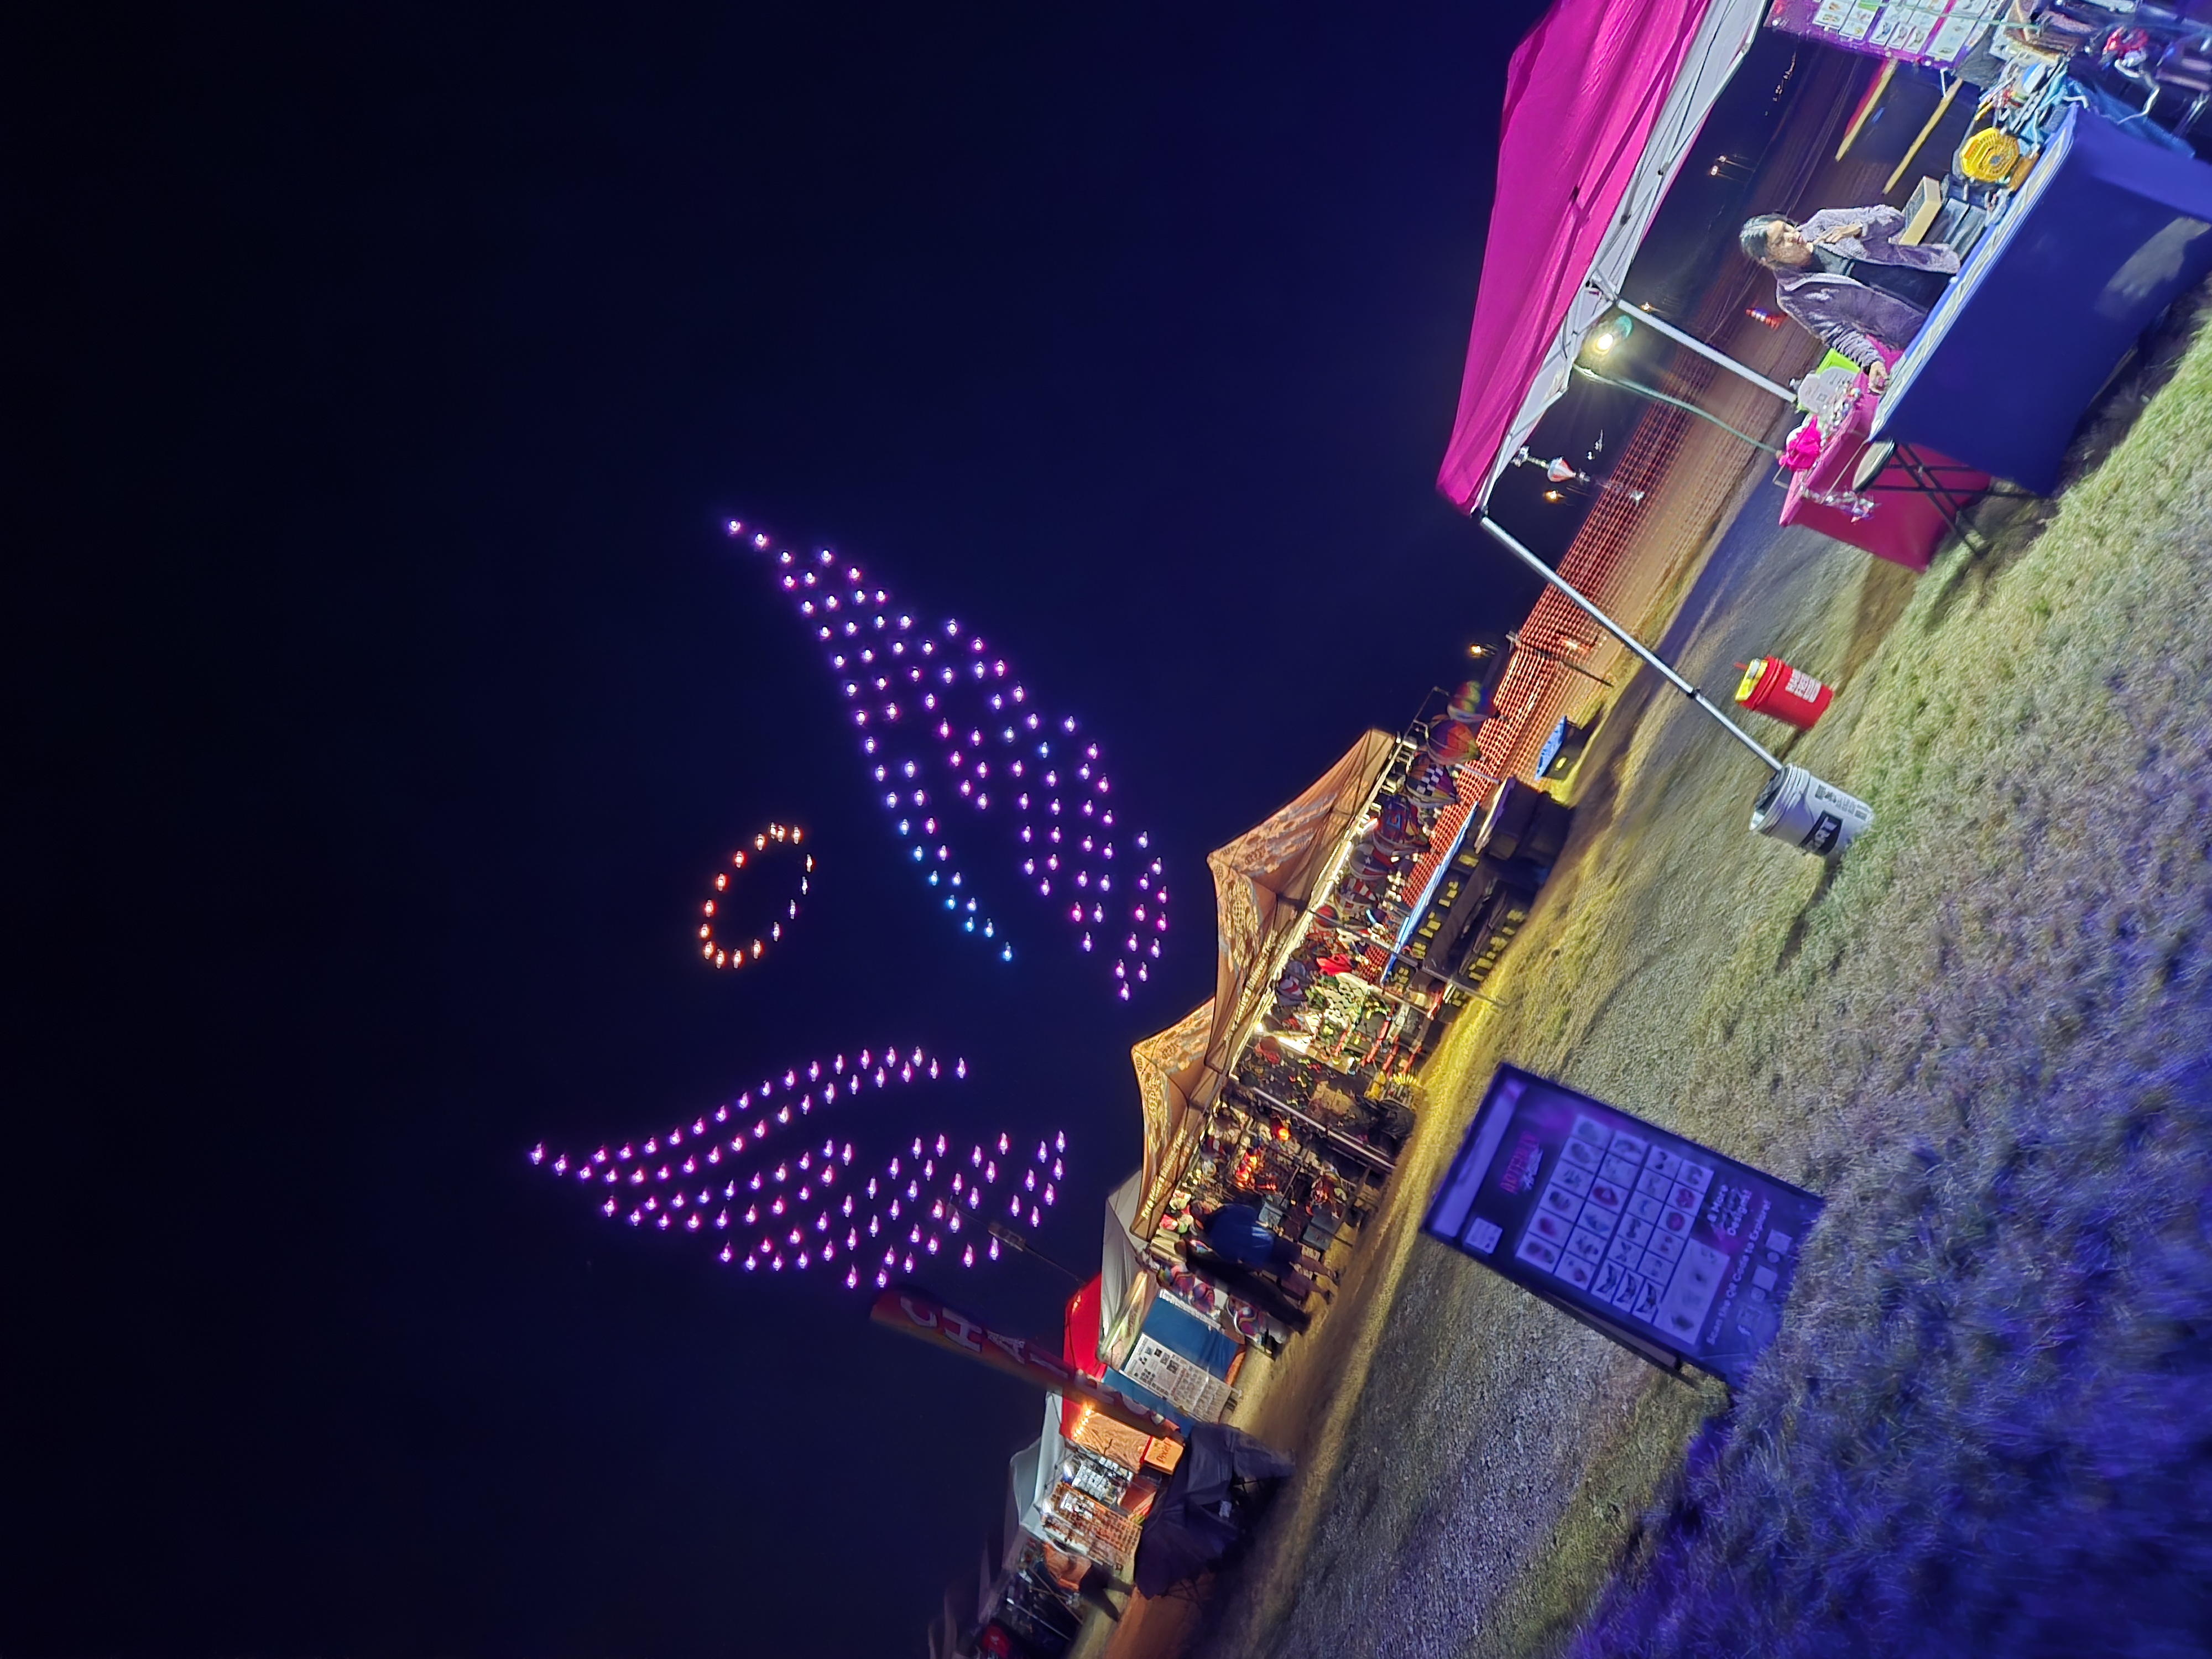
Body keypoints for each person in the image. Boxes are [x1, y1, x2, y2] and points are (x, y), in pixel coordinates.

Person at [1740, 205, 1960, 391]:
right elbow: (1838, 334)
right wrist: (1870, 361)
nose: (1793, 237)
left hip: (1942, 275)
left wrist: (1858, 229)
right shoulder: (1792, 295)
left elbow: (1894, 218)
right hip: (1915, 327)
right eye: (1781, 241)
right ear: (1767, 259)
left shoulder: (1824, 221)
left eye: (1787, 228)